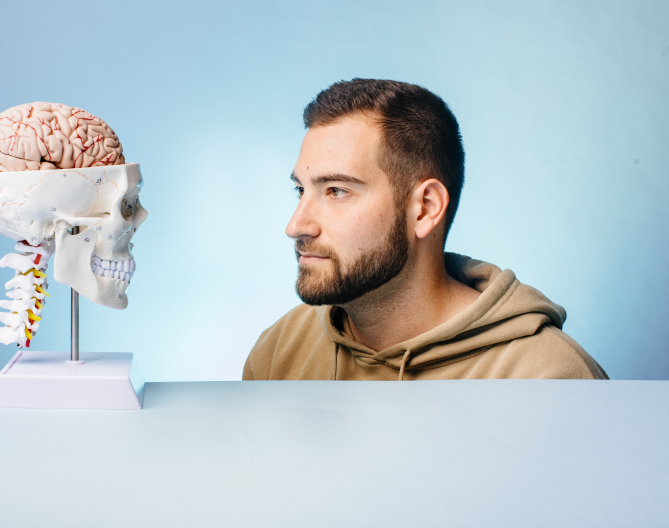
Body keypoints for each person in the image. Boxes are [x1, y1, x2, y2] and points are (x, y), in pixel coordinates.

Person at [243, 79, 607, 381]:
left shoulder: (546, 376)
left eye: (336, 191)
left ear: (425, 209)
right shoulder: (280, 350)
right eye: (301, 190)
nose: (296, 226)